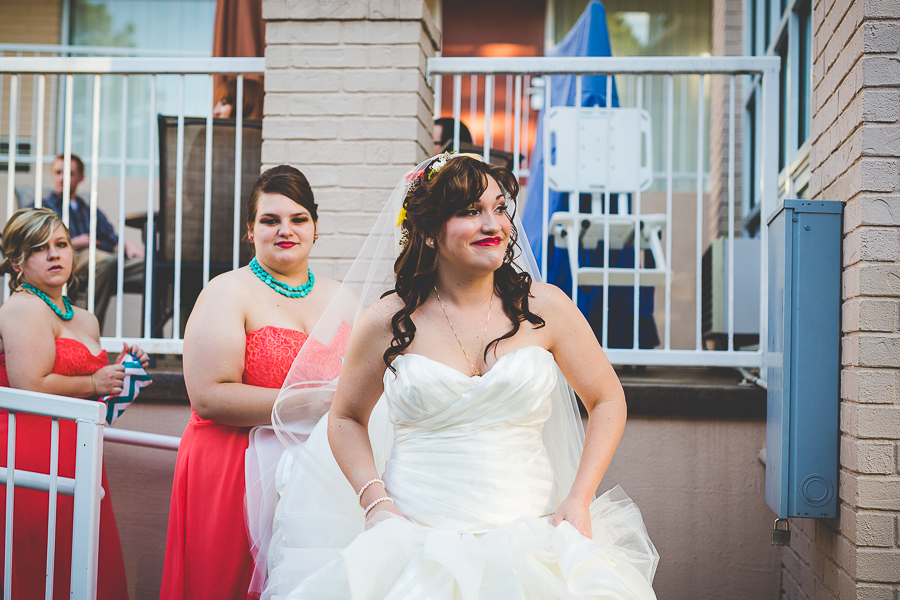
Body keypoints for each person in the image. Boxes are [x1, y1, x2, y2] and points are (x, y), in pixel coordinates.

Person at [254, 154, 658, 599]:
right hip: (414, 541)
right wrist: (376, 504)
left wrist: (578, 499)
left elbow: (607, 399)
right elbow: (346, 416)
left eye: (499, 208)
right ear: (429, 232)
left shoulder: (547, 308)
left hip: (535, 538)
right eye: (470, 211)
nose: (493, 224)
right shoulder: (387, 321)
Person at [159, 165, 349, 600]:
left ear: (315, 228)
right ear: (250, 230)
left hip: (315, 471)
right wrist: (311, 401)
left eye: (298, 218)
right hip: (234, 466)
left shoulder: (343, 296)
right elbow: (209, 396)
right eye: (270, 220)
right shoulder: (226, 292)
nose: (286, 230)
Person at [0, 207, 149, 600]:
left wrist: (122, 373)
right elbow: (29, 385)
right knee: (42, 563)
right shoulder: (22, 308)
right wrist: (95, 380)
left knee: (81, 558)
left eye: (61, 244)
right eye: (39, 248)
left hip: (80, 448)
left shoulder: (85, 318)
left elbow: (91, 395)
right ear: (16, 262)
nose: (54, 254)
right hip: (31, 449)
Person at [42, 153, 145, 330]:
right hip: (70, 257)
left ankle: (164, 330)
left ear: (81, 177)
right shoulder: (44, 206)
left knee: (147, 267)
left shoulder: (88, 209)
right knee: (105, 261)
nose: (62, 178)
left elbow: (109, 237)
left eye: (69, 173)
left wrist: (124, 245)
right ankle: (88, 329)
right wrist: (71, 243)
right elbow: (35, 241)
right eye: (58, 172)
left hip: (101, 259)